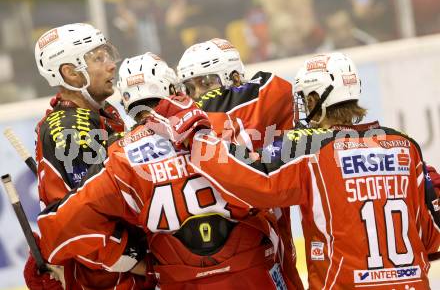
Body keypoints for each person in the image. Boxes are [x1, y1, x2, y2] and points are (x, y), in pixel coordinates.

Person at [156, 52, 440, 289]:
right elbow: (432, 239)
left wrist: (199, 138)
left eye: (305, 100)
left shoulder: (310, 146)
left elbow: (252, 180)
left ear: (316, 100)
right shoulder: (404, 145)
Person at [36, 52, 300, 289]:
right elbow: (274, 182)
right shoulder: (227, 124)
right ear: (174, 88)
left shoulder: (122, 154)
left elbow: (60, 225)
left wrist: (126, 258)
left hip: (176, 279)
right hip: (253, 273)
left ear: (127, 104)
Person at [27, 23, 150, 290]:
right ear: (70, 73)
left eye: (107, 54)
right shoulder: (71, 130)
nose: (111, 65)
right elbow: (84, 223)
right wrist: (149, 268)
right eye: (98, 58)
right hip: (110, 281)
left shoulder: (98, 113)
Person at [177, 37, 303, 288]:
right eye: (190, 88)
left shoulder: (262, 95)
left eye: (205, 82)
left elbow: (272, 90)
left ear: (234, 77)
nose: (199, 95)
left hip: (259, 231)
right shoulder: (262, 96)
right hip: (235, 241)